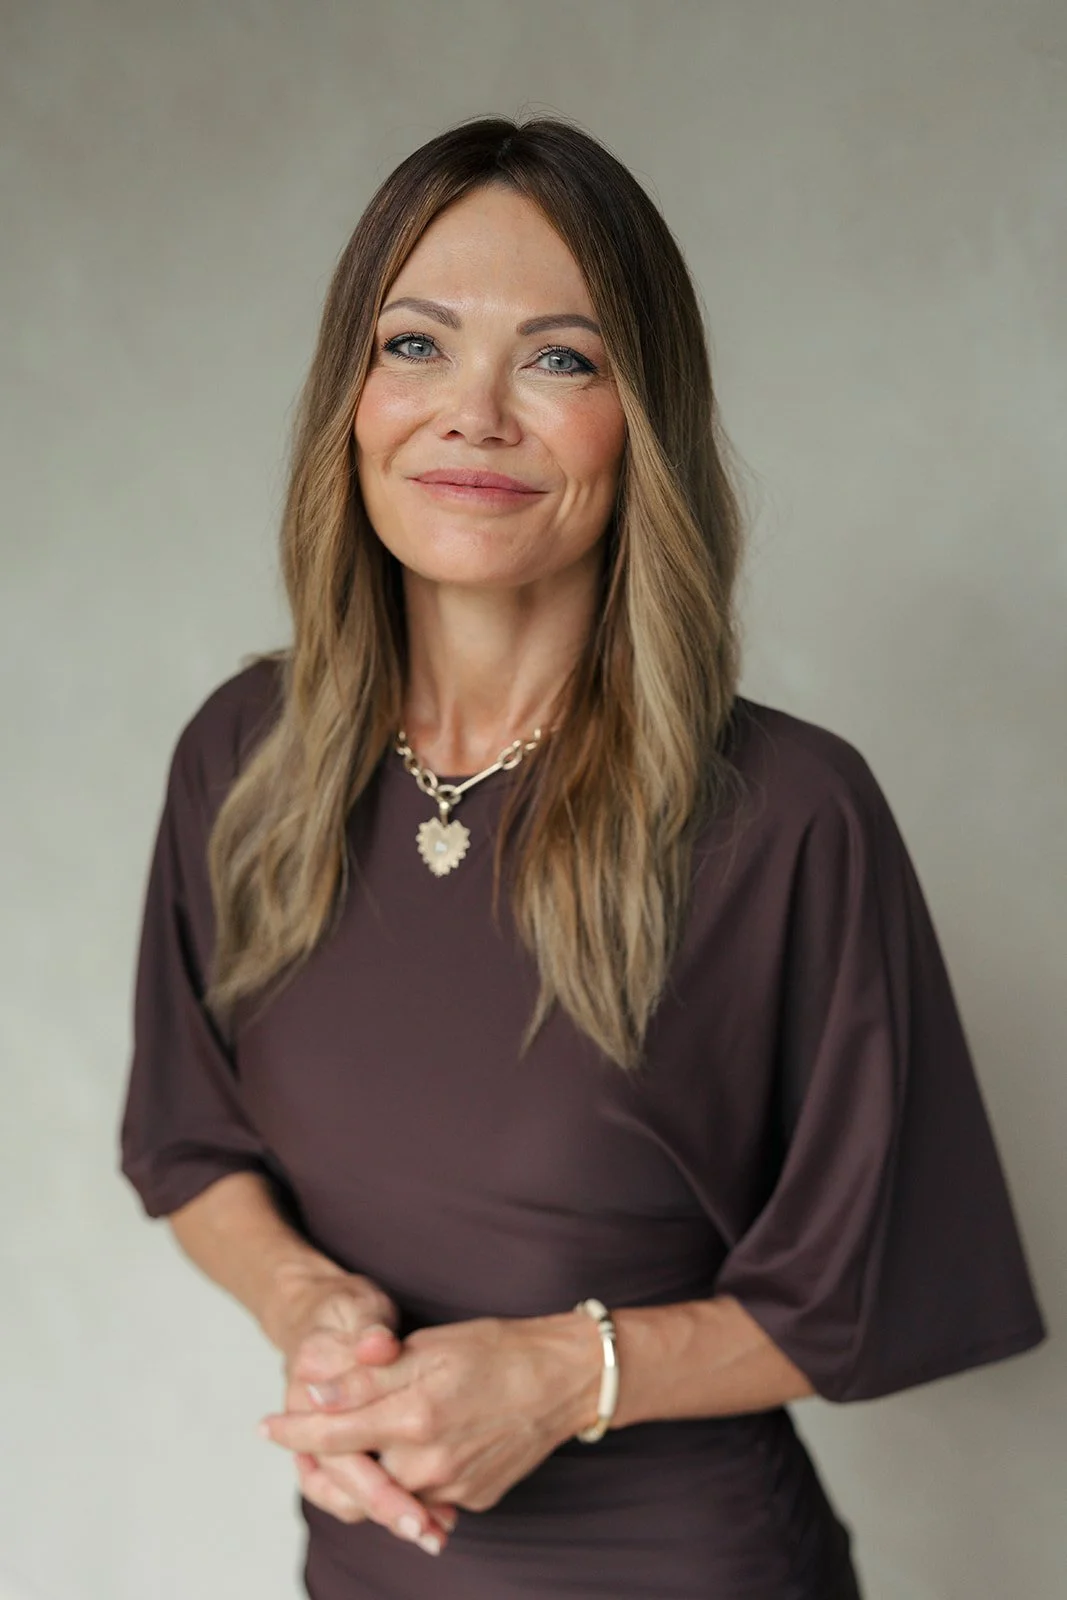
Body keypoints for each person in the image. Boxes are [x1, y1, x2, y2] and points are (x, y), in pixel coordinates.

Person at [117, 114, 1047, 1600]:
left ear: (643, 420)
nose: (473, 414)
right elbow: (189, 1139)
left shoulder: (786, 814)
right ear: (350, 397)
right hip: (367, 1568)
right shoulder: (246, 758)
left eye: (559, 359)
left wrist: (567, 1374)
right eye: (414, 344)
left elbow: (873, 1278)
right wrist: (308, 1307)